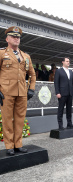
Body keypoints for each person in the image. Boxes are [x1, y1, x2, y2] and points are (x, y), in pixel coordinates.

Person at [0, 26, 36, 155]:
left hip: (22, 93)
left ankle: (18, 144)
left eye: (18, 37)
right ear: (7, 39)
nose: (16, 39)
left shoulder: (26, 56)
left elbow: (32, 74)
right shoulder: (2, 53)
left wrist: (31, 89)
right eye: (14, 37)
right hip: (6, 92)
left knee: (20, 119)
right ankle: (9, 146)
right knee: (7, 119)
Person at [54, 57, 73, 130]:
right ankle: (60, 125)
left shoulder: (70, 72)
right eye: (67, 61)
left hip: (70, 93)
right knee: (60, 109)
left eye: (69, 61)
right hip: (62, 93)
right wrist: (57, 92)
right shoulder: (59, 71)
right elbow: (56, 83)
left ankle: (69, 124)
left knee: (69, 109)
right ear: (63, 62)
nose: (68, 62)